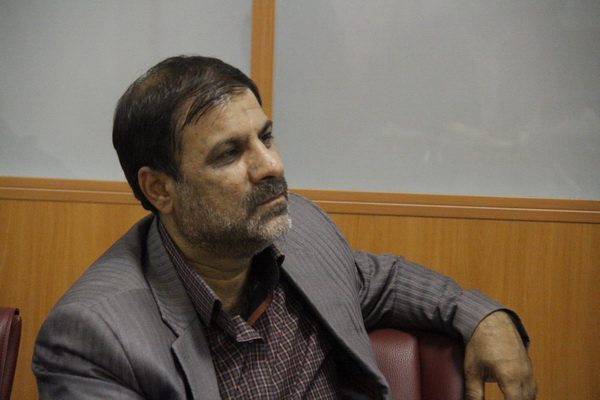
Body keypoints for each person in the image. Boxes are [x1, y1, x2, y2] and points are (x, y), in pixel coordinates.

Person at [33, 55, 536, 399]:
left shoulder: (298, 229)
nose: (270, 165)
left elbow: (381, 279)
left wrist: (485, 318)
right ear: (160, 189)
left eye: (266, 137)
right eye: (229, 153)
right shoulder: (94, 336)